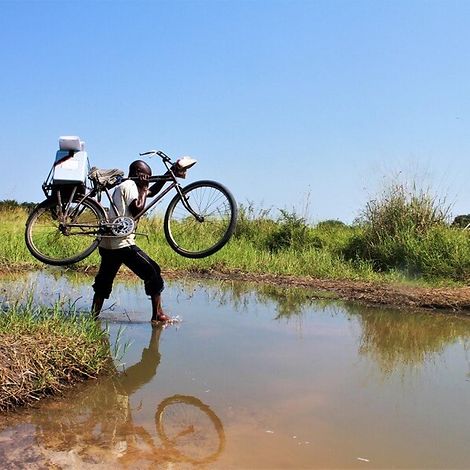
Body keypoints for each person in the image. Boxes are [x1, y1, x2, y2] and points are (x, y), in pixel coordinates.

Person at [91, 160, 171, 324]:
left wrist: (169, 174)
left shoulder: (131, 186)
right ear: (137, 172)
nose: (147, 180)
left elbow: (152, 192)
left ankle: (93, 316)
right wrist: (143, 188)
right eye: (145, 176)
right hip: (122, 243)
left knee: (104, 280)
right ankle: (157, 314)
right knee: (153, 271)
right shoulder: (129, 186)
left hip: (109, 243)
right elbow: (137, 207)